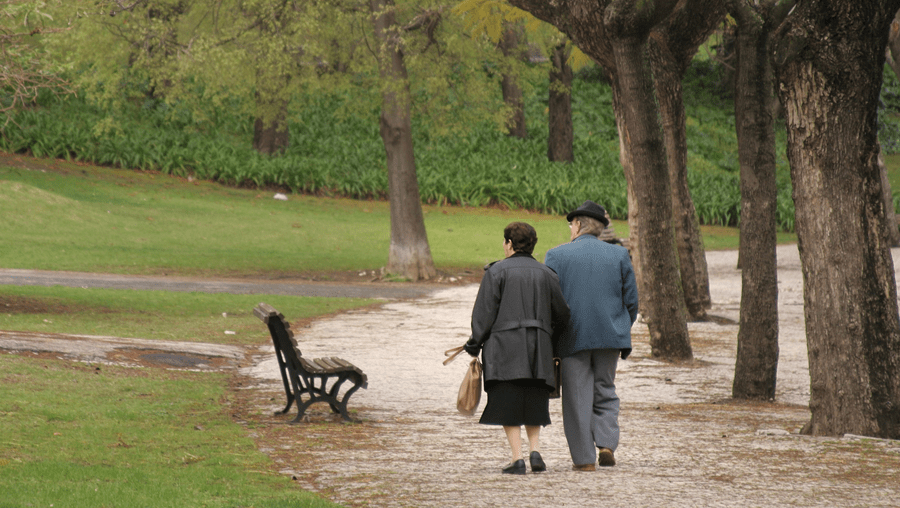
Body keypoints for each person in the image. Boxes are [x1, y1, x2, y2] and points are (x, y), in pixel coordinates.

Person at [463, 222, 570, 475]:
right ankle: (535, 451)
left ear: (509, 244)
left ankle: (517, 458)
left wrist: (474, 343)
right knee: (534, 398)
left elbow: (484, 314)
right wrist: (548, 336)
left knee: (507, 399)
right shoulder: (548, 274)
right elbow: (563, 314)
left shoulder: (495, 272)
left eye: (504, 241)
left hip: (504, 349)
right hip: (540, 348)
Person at [544, 200, 638, 471]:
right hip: (610, 335)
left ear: (578, 225)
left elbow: (550, 301)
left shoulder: (556, 256)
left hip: (572, 336)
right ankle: (607, 443)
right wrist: (620, 326)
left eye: (571, 224)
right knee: (606, 389)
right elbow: (631, 300)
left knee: (576, 397)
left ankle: (584, 459)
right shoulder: (619, 255)